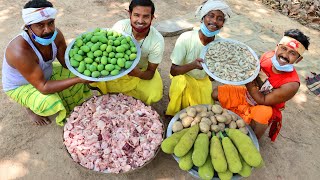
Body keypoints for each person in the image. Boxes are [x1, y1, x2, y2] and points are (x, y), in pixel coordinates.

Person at [2, 0, 92, 126]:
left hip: (43, 72)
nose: (47, 30)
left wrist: (91, 59)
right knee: (50, 100)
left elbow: (67, 64)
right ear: (28, 27)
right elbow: (43, 87)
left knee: (75, 74)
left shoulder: (56, 35)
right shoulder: (20, 51)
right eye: (40, 25)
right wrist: (78, 79)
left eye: (51, 23)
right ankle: (29, 106)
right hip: (20, 85)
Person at [212, 29, 310, 141]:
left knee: (263, 115)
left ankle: (252, 139)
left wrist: (247, 79)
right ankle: (241, 113)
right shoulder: (267, 56)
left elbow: (262, 100)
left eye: (292, 53)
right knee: (216, 93)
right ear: (277, 47)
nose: (285, 55)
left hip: (263, 105)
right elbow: (253, 74)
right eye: (283, 48)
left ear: (299, 59)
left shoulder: (291, 84)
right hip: (249, 94)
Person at [91, 0, 164, 105]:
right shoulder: (120, 27)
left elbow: (150, 73)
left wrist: (138, 73)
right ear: (130, 14)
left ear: (152, 17)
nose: (140, 21)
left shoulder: (157, 41)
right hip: (115, 67)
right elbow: (107, 52)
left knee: (154, 93)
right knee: (98, 78)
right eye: (136, 15)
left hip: (140, 70)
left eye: (146, 16)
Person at [165, 0, 232, 116]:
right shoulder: (186, 38)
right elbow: (174, 71)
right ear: (202, 18)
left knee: (203, 113)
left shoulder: (220, 45)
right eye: (211, 16)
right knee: (179, 108)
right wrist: (193, 65)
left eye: (220, 18)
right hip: (183, 76)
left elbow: (211, 79)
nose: (214, 21)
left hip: (202, 81)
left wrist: (216, 69)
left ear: (223, 23)